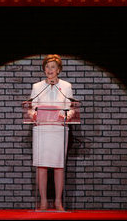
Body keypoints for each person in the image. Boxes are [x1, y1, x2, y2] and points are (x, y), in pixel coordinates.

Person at [29, 54, 74, 211]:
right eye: (47, 67)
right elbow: (31, 109)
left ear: (59, 70)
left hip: (58, 130)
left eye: (53, 67)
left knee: (58, 166)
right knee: (41, 166)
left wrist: (66, 115)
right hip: (42, 129)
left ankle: (58, 202)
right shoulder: (37, 86)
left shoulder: (66, 86)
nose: (49, 70)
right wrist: (32, 114)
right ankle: (42, 202)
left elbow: (71, 109)